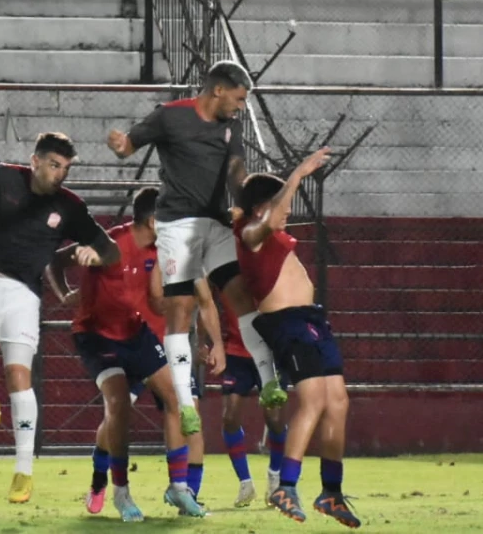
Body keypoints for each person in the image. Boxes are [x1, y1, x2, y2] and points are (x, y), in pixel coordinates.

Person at [0, 132, 121, 503]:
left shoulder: (69, 206)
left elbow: (111, 251)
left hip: (21, 295)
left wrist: (94, 256)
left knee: (18, 375)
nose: (59, 174)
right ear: (35, 161)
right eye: (54, 165)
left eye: (65, 169)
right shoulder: (2, 176)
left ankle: (23, 470)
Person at [107, 61, 286, 441]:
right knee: (181, 310)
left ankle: (269, 380)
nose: (241, 107)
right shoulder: (169, 117)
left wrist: (247, 200)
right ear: (218, 90)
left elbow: (237, 171)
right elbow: (128, 146)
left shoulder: (230, 128)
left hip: (216, 222)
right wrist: (120, 144)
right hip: (177, 225)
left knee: (241, 298)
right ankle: (187, 403)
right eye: (238, 99)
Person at [50, 186, 206, 520]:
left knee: (178, 400)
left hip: (135, 332)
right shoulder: (108, 243)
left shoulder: (160, 249)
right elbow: (55, 258)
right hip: (96, 335)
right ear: (153, 220)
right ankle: (118, 491)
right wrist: (64, 292)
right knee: (119, 404)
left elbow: (153, 299)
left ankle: (178, 488)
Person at [234, 148, 361, 529]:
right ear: (260, 208)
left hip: (311, 320)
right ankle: (285, 486)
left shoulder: (272, 235)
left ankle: (331, 492)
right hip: (286, 323)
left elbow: (261, 205)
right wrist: (298, 175)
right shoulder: (251, 234)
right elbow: (266, 221)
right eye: (279, 204)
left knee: (338, 401)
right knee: (313, 400)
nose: (288, 210)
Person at [214, 287, 288, 507]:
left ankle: (275, 477)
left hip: (269, 352)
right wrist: (208, 342)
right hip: (237, 353)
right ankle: (246, 483)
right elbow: (205, 301)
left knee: (274, 419)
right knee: (229, 418)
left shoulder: (265, 271)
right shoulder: (223, 270)